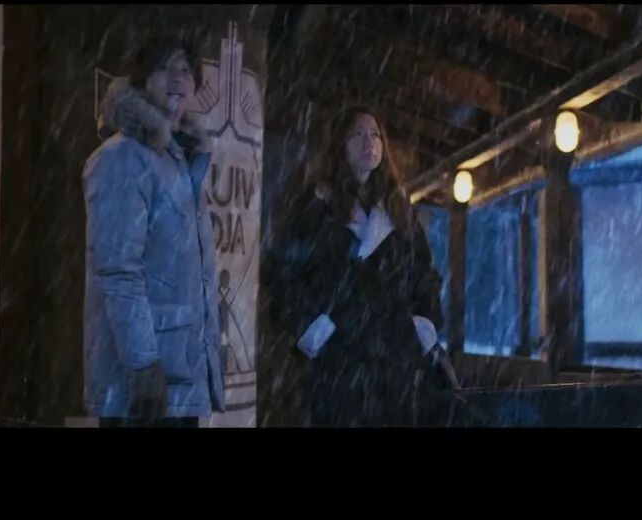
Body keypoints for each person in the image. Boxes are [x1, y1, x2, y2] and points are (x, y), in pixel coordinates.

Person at [266, 106, 459, 427]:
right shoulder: (315, 207)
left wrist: (421, 326)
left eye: (375, 135)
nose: (368, 142)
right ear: (340, 145)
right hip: (339, 361)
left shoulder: (398, 209)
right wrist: (317, 331)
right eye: (357, 134)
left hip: (396, 362)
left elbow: (424, 273)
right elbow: (283, 275)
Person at [82, 36, 224, 427]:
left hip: (180, 383)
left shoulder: (182, 159)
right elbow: (117, 270)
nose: (177, 78)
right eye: (164, 68)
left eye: (185, 70)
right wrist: (144, 365)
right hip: (144, 385)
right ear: (143, 80)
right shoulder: (123, 156)